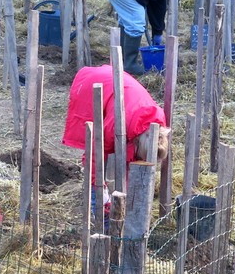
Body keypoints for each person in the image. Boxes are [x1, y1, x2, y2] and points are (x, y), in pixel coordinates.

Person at [62, 64, 171, 219]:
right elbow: (94, 154)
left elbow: (134, 158)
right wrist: (99, 188)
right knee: (95, 139)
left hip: (122, 88)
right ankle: (101, 217)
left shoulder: (158, 123)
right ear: (137, 143)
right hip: (94, 84)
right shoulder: (116, 125)